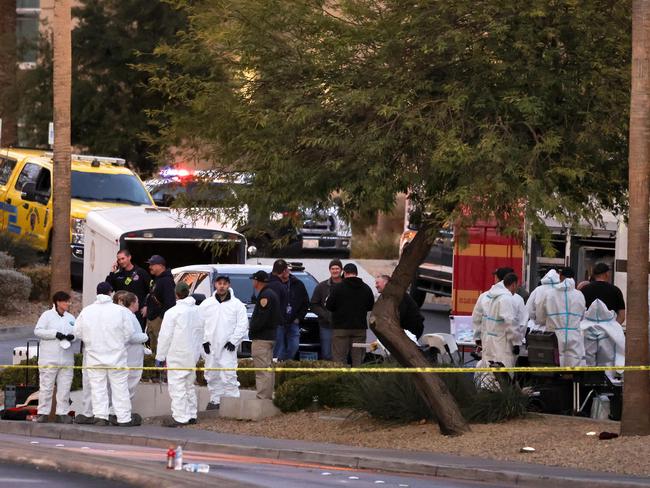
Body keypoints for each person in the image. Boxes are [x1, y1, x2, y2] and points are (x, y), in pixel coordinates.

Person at [74, 281, 139, 426]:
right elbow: (129, 333)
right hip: (116, 356)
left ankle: (100, 417)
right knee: (120, 388)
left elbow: (77, 332)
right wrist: (117, 343)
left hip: (94, 356)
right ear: (110, 293)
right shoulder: (120, 311)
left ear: (97, 293)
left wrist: (90, 342)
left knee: (98, 388)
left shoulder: (87, 311)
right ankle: (123, 418)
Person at [155, 282, 203, 427]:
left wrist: (160, 357)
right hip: (192, 354)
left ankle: (181, 417)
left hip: (177, 354)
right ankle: (192, 414)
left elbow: (165, 336)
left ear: (176, 294)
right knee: (189, 385)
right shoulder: (198, 311)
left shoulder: (172, 312)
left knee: (177, 386)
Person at [200, 275, 249, 410]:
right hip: (210, 346)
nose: (222, 286)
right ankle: (215, 401)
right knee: (211, 374)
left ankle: (232, 403)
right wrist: (204, 341)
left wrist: (233, 341)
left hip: (228, 347)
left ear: (229, 285)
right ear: (215, 285)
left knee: (229, 375)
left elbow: (242, 324)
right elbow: (199, 324)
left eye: (224, 284)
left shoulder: (237, 305)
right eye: (219, 283)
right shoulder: (207, 304)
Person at [33, 291, 77, 423]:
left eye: (69, 301)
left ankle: (62, 413)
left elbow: (77, 332)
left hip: (67, 358)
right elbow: (38, 331)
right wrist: (54, 334)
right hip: (49, 358)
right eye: (66, 301)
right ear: (58, 302)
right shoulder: (47, 315)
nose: (68, 304)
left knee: (65, 387)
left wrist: (72, 337)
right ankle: (42, 413)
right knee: (46, 386)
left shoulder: (71, 318)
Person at [326, 263, 375, 366]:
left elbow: (329, 306)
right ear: (356, 273)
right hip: (359, 328)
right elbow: (370, 306)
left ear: (345, 273)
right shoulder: (366, 288)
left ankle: (341, 380)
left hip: (341, 328)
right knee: (358, 358)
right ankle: (356, 379)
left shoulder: (338, 288)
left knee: (339, 358)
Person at [536, 274, 586, 366]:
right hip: (574, 336)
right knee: (573, 368)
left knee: (554, 365)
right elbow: (582, 317)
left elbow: (540, 317)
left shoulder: (549, 294)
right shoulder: (579, 295)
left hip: (553, 335)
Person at [249, 270, 282, 399]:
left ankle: (263, 397)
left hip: (262, 338)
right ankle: (267, 395)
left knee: (262, 369)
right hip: (270, 336)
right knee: (267, 367)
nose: (253, 282)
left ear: (257, 281)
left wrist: (252, 330)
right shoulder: (270, 293)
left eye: (254, 280)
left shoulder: (265, 296)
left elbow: (261, 318)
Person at [113, 291, 149, 400]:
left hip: (132, 357)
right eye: (137, 301)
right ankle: (119, 413)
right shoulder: (127, 315)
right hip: (130, 359)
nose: (139, 304)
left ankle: (122, 412)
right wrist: (144, 337)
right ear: (132, 303)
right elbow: (130, 336)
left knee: (128, 387)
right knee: (127, 387)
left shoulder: (130, 315)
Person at [105, 249, 151, 330]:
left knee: (137, 335)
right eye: (119, 260)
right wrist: (112, 272)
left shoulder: (141, 273)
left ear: (129, 257)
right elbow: (107, 288)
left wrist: (146, 306)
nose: (121, 261)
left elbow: (151, 291)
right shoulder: (118, 275)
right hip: (121, 312)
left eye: (123, 258)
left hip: (137, 312)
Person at [579, 298, 625, 379]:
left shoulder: (582, 327)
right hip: (608, 369)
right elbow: (620, 345)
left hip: (588, 370)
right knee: (607, 364)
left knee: (589, 364)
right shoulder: (613, 327)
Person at [472, 267, 513, 350]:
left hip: (487, 341)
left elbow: (476, 318)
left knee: (488, 362)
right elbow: (516, 323)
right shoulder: (516, 298)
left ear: (497, 278)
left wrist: (477, 338)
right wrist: (516, 342)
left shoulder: (484, 296)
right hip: (506, 343)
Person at [310, 259, 343, 360]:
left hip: (343, 326)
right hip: (326, 326)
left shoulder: (346, 285)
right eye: (332, 268)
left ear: (341, 270)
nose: (335, 270)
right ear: (329, 270)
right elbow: (314, 304)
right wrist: (325, 315)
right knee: (327, 354)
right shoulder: (321, 286)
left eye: (337, 268)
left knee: (341, 354)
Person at [374, 274, 424, 339]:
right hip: (404, 328)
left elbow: (400, 314)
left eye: (377, 283)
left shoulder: (396, 295)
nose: (375, 286)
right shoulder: (388, 295)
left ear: (386, 283)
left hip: (411, 328)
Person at [145, 254, 176, 352]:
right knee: (154, 349)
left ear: (161, 266)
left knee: (161, 349)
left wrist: (160, 318)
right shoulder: (158, 279)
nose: (150, 267)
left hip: (159, 321)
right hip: (152, 318)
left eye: (152, 264)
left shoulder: (167, 281)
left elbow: (170, 303)